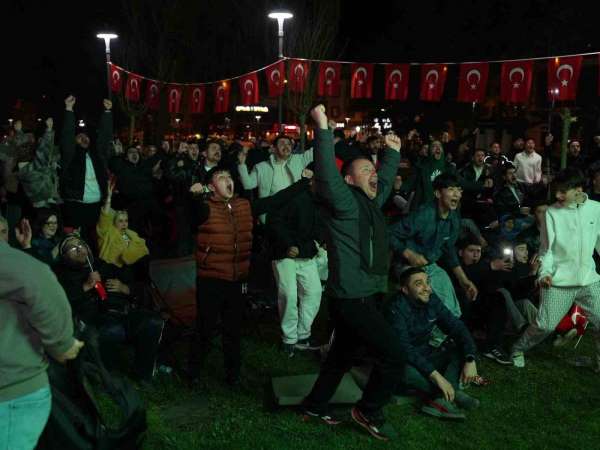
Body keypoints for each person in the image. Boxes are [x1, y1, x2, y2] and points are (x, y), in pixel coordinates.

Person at [302, 105, 404, 441]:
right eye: (365, 169)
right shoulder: (345, 203)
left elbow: (383, 181)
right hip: (352, 298)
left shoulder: (370, 204)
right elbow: (326, 173)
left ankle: (314, 406)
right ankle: (368, 410)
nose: (374, 173)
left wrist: (391, 153)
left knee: (341, 357)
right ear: (348, 180)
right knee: (394, 354)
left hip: (366, 294)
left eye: (372, 168)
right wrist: (322, 128)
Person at [187, 165, 311, 386]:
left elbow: (276, 200)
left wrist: (303, 182)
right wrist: (194, 197)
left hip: (237, 280)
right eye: (221, 177)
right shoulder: (205, 208)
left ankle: (232, 376)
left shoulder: (244, 206)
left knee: (233, 330)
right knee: (205, 329)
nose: (227, 179)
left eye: (228, 176)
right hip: (211, 280)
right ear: (211, 187)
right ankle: (193, 374)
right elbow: (193, 213)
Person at [1, 222, 84, 450]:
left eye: (4, 232)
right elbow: (35, 277)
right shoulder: (23, 265)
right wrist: (62, 344)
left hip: (13, 394)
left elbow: (31, 278)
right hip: (14, 392)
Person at [511, 168, 600, 368]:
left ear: (578, 189)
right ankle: (517, 349)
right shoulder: (551, 213)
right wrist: (544, 273)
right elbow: (546, 249)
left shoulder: (596, 209)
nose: (558, 195)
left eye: (562, 191)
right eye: (556, 190)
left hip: (589, 280)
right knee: (545, 325)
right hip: (559, 283)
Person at [54, 233, 163, 382]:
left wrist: (125, 288)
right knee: (113, 330)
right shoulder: (62, 275)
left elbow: (136, 285)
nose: (79, 249)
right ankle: (108, 377)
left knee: (152, 321)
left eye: (81, 245)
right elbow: (60, 302)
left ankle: (143, 376)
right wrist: (86, 286)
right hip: (93, 319)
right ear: (64, 256)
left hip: (122, 312)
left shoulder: (102, 265)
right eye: (72, 248)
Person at [386, 267, 479, 420]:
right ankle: (446, 394)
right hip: (404, 360)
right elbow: (405, 349)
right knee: (403, 370)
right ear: (405, 289)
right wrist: (436, 376)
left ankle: (445, 395)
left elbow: (457, 327)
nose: (427, 288)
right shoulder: (395, 308)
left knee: (461, 347)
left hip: (426, 354)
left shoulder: (431, 299)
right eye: (419, 284)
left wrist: (470, 359)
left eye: (427, 282)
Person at [390, 173, 478, 323]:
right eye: (451, 189)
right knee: (430, 306)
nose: (456, 194)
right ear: (438, 193)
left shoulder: (454, 219)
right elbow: (389, 233)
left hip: (430, 265)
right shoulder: (423, 215)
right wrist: (409, 254)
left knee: (452, 310)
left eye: (459, 190)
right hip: (406, 266)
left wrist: (464, 280)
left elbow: (449, 250)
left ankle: (442, 336)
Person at [267, 165, 325, 356]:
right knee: (289, 295)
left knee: (314, 292)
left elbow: (319, 230)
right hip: (285, 253)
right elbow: (275, 220)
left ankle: (302, 335)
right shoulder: (293, 196)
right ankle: (289, 339)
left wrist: (317, 243)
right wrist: (288, 244)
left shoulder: (322, 201)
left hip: (306, 252)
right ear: (312, 180)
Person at [60, 96, 112, 242]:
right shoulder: (70, 156)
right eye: (80, 136)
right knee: (75, 242)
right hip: (76, 205)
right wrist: (69, 110)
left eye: (86, 136)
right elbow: (67, 134)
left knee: (93, 241)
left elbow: (105, 137)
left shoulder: (97, 156)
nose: (84, 138)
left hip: (96, 206)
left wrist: (107, 113)